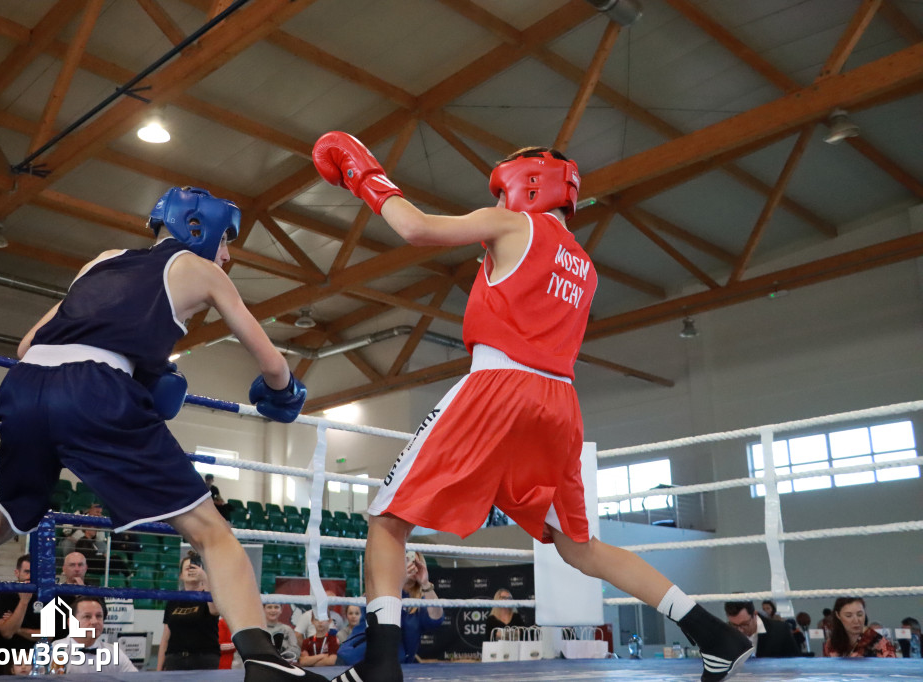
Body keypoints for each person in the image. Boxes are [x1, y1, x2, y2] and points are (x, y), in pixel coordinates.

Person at [311, 132, 754, 682]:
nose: (497, 203)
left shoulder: (515, 225)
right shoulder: (586, 268)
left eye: (501, 192)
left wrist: (363, 174)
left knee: (387, 520)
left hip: (499, 386)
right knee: (581, 548)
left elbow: (415, 227)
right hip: (559, 403)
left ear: (527, 187)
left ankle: (380, 663)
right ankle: (714, 633)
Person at [0, 186, 318, 682]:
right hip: (94, 388)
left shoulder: (103, 259)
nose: (226, 254)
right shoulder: (201, 270)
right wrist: (284, 393)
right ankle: (265, 662)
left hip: (27, 384)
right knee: (211, 532)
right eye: (226, 240)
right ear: (198, 229)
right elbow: (273, 363)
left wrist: (138, 365)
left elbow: (27, 343)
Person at [336, 551, 443, 667]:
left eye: (415, 563)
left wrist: (425, 583)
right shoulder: (381, 588)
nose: (411, 566)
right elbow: (375, 610)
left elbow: (436, 620)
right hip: (355, 660)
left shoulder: (421, 601)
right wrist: (398, 579)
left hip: (394, 666)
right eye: (406, 561)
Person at [157, 553, 220, 671]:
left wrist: (205, 578)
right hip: (175, 659)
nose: (191, 571)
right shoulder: (174, 600)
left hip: (204, 659)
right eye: (187, 568)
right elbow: (166, 637)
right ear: (181, 575)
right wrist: (159, 668)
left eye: (195, 567)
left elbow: (215, 610)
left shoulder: (209, 595)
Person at [50, 596, 137, 673]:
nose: (95, 622)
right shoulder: (52, 652)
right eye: (87, 616)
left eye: (99, 616)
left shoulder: (115, 654)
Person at [0, 554, 39, 676]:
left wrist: (17, 628)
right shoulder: (3, 595)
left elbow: (47, 635)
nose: (30, 576)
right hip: (1, 664)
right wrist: (24, 601)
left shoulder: (44, 597)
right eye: (26, 572)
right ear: (17, 572)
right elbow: (7, 632)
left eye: (34, 573)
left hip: (31, 666)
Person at [823, 597, 897, 658]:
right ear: (838, 615)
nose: (856, 621)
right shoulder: (830, 644)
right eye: (848, 616)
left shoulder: (881, 643)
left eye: (860, 615)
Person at [723, 601, 799, 658]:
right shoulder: (726, 634)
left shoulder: (780, 630)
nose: (740, 630)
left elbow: (795, 662)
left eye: (745, 624)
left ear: (755, 614)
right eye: (734, 625)